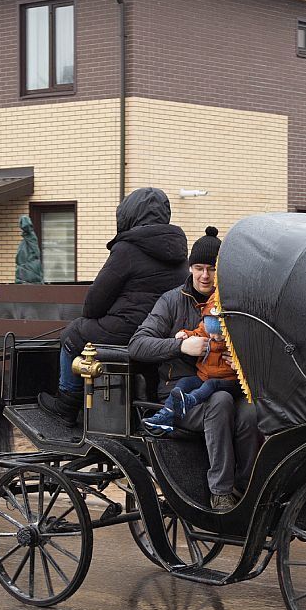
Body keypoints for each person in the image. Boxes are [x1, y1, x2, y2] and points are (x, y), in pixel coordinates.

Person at [129, 227, 259, 512]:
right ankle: (220, 492)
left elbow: (258, 349)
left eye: (212, 269)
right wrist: (180, 347)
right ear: (190, 268)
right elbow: (137, 345)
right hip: (180, 396)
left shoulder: (235, 303)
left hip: (227, 385)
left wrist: (239, 362)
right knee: (220, 402)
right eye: (199, 268)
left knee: (251, 412)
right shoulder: (172, 300)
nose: (204, 276)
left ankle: (248, 486)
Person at [38, 188, 188, 425]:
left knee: (72, 334)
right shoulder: (179, 250)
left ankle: (66, 404)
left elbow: (93, 305)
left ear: (130, 214)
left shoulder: (127, 249)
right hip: (161, 333)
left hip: (126, 331)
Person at [141, 294, 240, 435]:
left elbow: (251, 354)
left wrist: (241, 365)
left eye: (220, 335)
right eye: (212, 334)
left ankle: (191, 400)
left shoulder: (236, 337)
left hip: (228, 381)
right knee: (185, 381)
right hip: (204, 375)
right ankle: (166, 414)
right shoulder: (206, 328)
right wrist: (184, 336)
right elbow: (197, 333)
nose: (215, 338)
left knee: (211, 385)